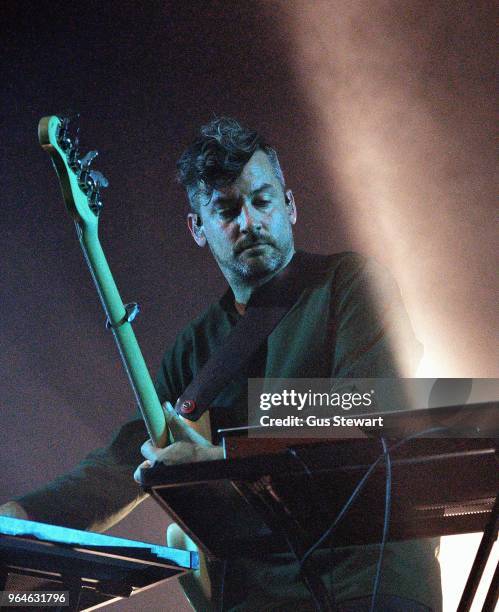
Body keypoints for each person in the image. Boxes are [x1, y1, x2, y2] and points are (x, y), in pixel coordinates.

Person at [0, 117, 441, 611]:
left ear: (290, 205)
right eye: (226, 209)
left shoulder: (350, 283)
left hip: (369, 581)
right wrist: (19, 516)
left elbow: (368, 407)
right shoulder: (196, 347)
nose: (248, 222)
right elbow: (127, 459)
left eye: (262, 200)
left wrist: (224, 459)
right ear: (197, 228)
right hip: (259, 596)